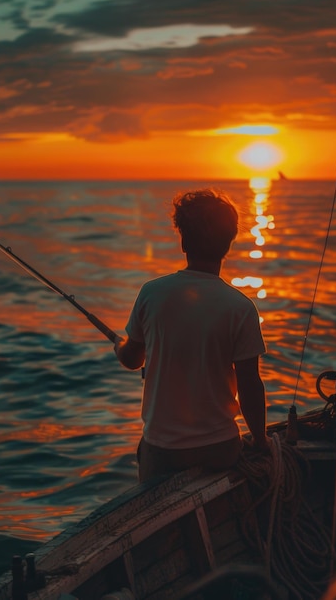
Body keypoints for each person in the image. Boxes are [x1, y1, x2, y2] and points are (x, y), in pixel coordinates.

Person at [114, 188, 268, 482]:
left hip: (163, 449)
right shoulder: (242, 308)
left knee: (145, 456)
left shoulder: (151, 293)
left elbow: (132, 359)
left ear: (183, 241)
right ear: (229, 243)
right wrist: (261, 442)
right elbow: (250, 386)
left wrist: (119, 347)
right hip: (220, 448)